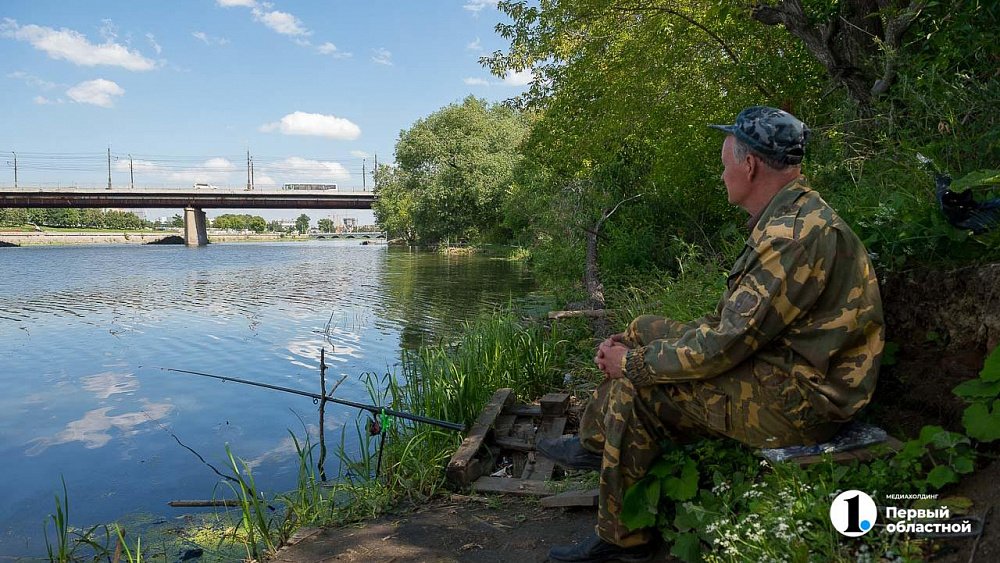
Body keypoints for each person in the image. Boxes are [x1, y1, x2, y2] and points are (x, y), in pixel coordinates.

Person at [540, 106, 885, 562]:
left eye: (725, 165)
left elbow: (722, 347)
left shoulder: (791, 237)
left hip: (803, 402)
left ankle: (622, 541)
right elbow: (733, 328)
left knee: (634, 390)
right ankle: (597, 445)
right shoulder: (791, 214)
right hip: (779, 364)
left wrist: (633, 365)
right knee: (643, 328)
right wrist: (638, 347)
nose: (721, 176)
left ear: (750, 164)